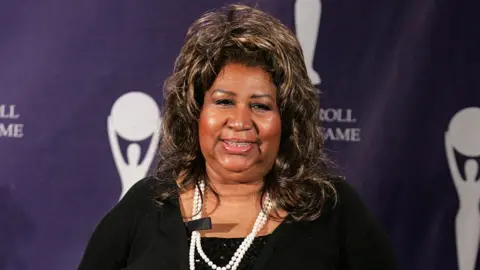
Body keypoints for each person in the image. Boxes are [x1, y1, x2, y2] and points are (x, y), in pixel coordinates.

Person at [78, 4, 397, 270]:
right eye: (224, 101)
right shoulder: (145, 205)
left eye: (260, 105)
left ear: (285, 120)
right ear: (196, 111)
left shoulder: (332, 210)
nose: (241, 122)